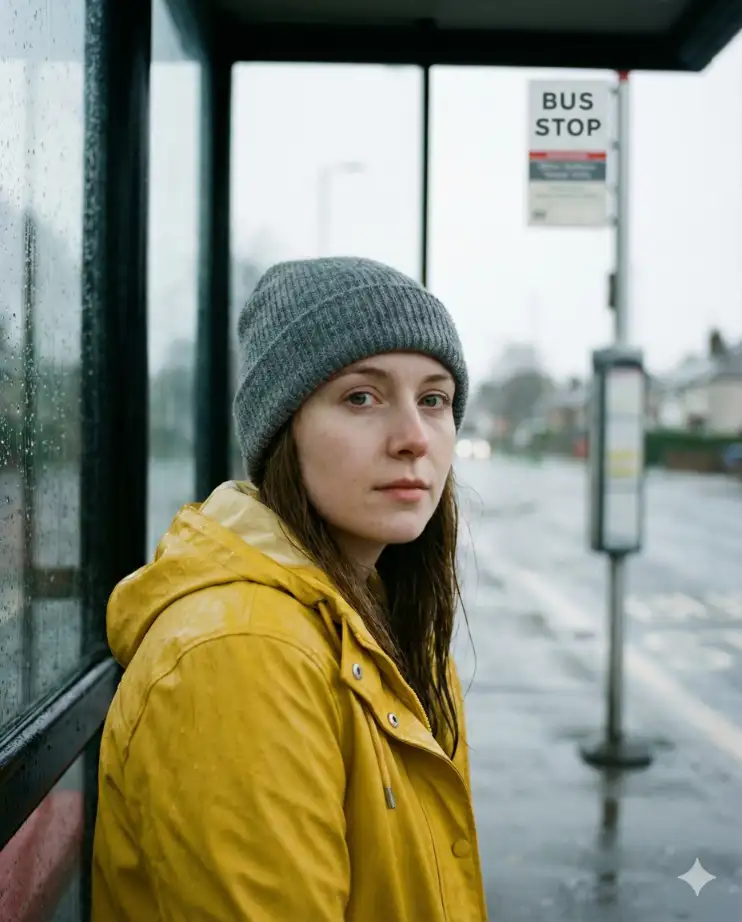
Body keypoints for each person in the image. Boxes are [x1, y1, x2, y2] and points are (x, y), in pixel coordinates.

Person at [91, 256, 487, 921]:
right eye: (361, 397)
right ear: (283, 430)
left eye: (435, 399)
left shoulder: (390, 623)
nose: (415, 439)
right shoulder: (240, 656)